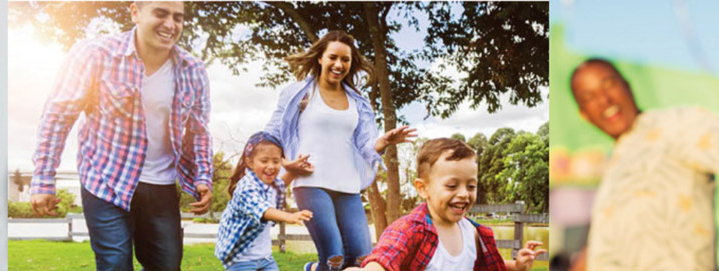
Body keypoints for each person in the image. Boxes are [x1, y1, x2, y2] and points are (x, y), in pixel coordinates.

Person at [27, 1, 213, 270]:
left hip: (161, 186)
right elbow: (58, 116)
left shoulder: (192, 69)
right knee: (115, 264)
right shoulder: (95, 54)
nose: (170, 25)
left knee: (168, 266)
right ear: (135, 12)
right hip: (106, 181)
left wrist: (203, 176)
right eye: (160, 14)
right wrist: (43, 178)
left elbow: (199, 132)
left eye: (178, 18)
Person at [568, 58, 719, 270]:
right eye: (589, 96)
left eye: (609, 84)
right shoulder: (613, 167)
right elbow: (600, 247)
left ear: (627, 85)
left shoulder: (673, 126)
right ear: (584, 115)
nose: (604, 100)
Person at [263, 30, 416, 271]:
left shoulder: (358, 101)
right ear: (320, 58)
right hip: (310, 182)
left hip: (348, 185)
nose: (339, 64)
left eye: (345, 60)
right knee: (334, 258)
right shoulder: (299, 94)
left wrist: (384, 142)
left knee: (361, 259)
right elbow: (271, 136)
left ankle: (313, 269)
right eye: (333, 57)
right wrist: (285, 164)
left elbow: (363, 147)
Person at [347, 138, 547, 271]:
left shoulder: (473, 232)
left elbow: (486, 264)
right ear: (423, 188)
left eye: (471, 185)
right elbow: (385, 258)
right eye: (452, 185)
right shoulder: (409, 229)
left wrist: (517, 265)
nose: (463, 194)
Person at [215, 132, 314, 271]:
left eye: (276, 161)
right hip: (240, 259)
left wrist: (294, 171)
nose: (271, 166)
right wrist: (289, 216)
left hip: (265, 258)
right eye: (264, 161)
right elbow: (262, 209)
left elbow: (280, 185)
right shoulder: (246, 186)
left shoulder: (270, 184)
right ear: (250, 163)